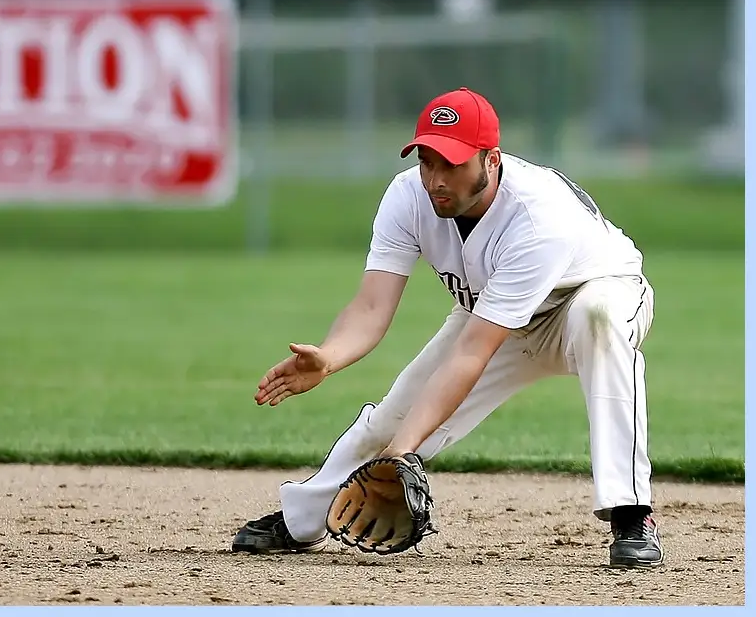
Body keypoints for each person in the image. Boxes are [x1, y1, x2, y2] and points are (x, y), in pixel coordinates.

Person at [230, 87, 663, 569]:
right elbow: (372, 306)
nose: (436, 179)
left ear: (491, 159)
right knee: (394, 417)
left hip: (587, 295)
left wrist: (402, 453)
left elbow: (472, 353)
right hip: (492, 314)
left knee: (599, 319)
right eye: (427, 161)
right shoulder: (407, 197)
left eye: (452, 164)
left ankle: (631, 512)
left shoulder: (538, 218)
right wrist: (330, 356)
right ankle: (305, 518)